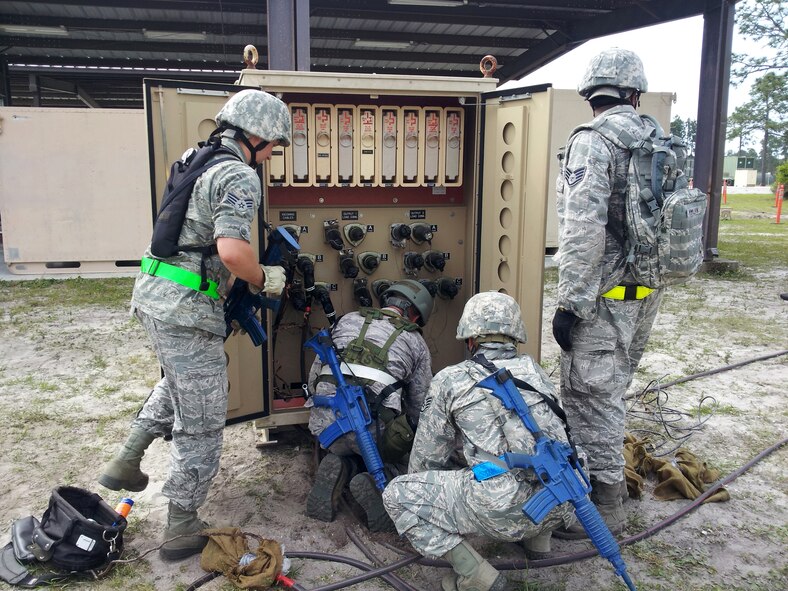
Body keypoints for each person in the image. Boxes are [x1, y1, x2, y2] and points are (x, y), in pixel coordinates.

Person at [98, 89, 292, 561]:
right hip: (185, 308)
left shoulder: (195, 158)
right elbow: (231, 251)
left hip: (156, 294)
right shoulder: (238, 174)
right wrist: (267, 276)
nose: (270, 157)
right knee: (202, 421)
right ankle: (183, 524)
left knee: (181, 384)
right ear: (255, 136)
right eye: (272, 147)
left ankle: (126, 460)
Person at [383, 292, 574, 591]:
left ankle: (476, 577)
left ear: (470, 340)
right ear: (514, 336)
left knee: (397, 495)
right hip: (563, 500)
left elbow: (426, 460)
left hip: (501, 509)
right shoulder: (536, 372)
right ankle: (539, 542)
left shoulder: (451, 379)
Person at [551, 48, 662, 537]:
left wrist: (570, 304)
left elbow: (582, 229)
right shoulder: (656, 139)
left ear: (591, 93)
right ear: (634, 93)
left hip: (605, 289)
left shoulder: (593, 143)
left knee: (588, 392)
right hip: (643, 290)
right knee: (611, 386)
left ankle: (606, 502)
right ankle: (603, 483)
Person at [305, 279, 433, 532]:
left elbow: (313, 379)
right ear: (415, 315)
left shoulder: (347, 320)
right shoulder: (415, 340)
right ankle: (379, 483)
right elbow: (421, 405)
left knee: (349, 441)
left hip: (325, 426)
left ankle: (341, 464)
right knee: (403, 457)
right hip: (372, 433)